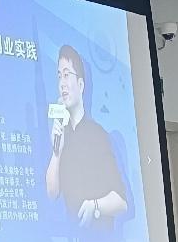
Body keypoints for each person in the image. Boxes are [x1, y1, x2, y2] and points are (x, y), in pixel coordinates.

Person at [46, 45, 127, 229]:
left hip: (102, 240)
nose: (62, 83)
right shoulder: (62, 134)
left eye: (67, 75)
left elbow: (123, 202)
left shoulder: (98, 135)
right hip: (73, 238)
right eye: (59, 76)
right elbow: (51, 194)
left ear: (81, 85)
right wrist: (56, 153)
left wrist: (95, 206)